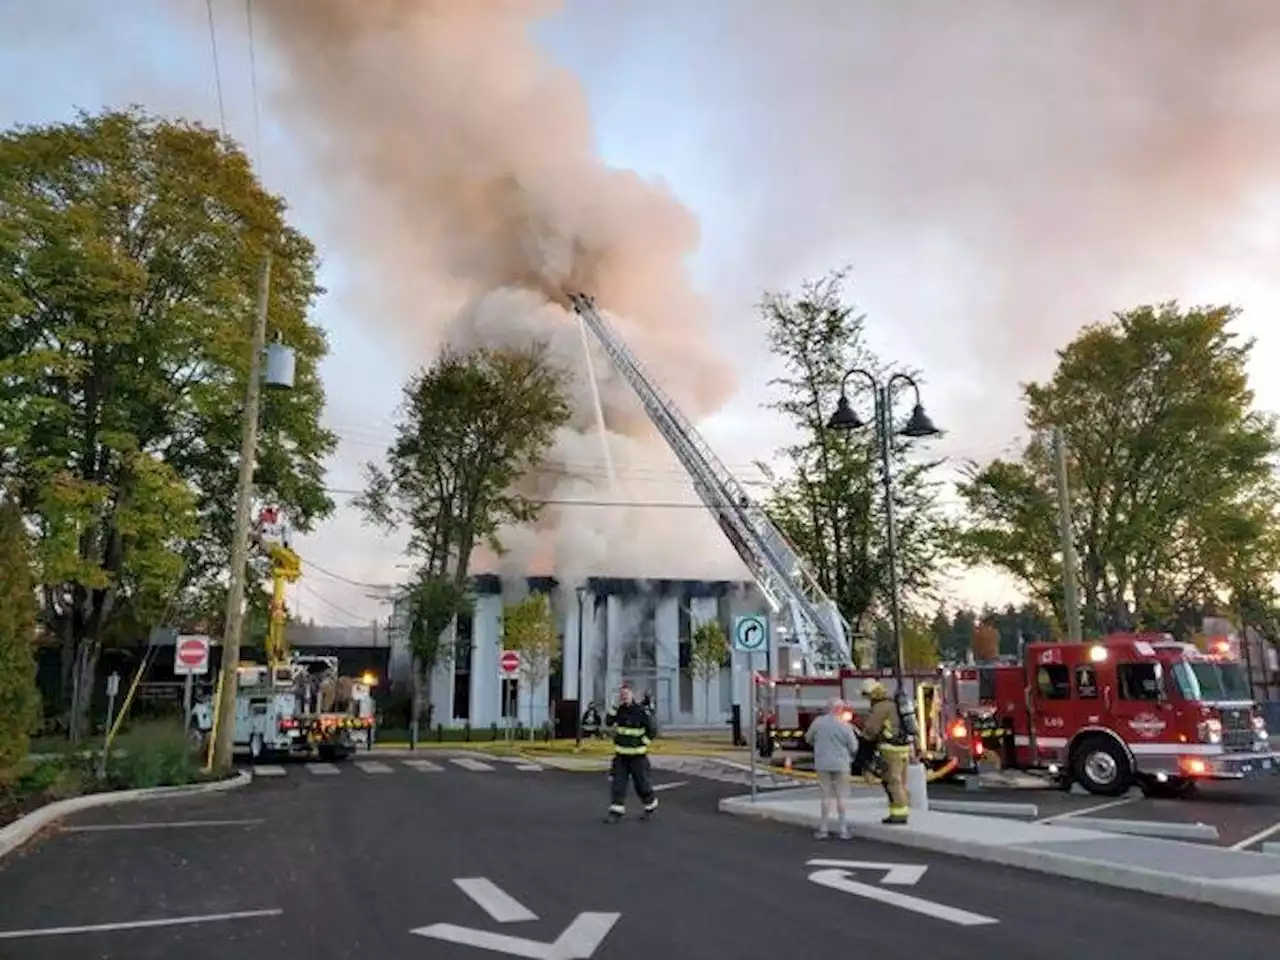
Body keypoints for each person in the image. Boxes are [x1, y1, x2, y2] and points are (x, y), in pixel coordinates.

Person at [803, 698, 861, 839]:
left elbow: (808, 738)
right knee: (841, 796)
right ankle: (843, 829)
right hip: (841, 764)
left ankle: (823, 828)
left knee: (825, 796)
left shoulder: (818, 722)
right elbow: (854, 747)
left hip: (822, 763)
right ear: (840, 709)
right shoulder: (845, 726)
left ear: (827, 708)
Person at [859, 679, 911, 824]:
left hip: (890, 750)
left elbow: (871, 730)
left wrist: (863, 745)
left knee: (892, 781)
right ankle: (899, 810)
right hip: (903, 748)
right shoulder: (895, 704)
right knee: (900, 781)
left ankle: (899, 814)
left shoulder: (881, 707)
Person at [604, 686, 658, 823]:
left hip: (638, 756)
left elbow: (652, 731)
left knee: (642, 784)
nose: (624, 697)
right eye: (622, 695)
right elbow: (608, 722)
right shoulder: (619, 710)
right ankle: (616, 812)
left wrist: (642, 743)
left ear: (632, 696)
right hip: (621, 756)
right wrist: (614, 707)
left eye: (626, 695)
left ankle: (650, 806)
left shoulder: (640, 712)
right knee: (618, 784)